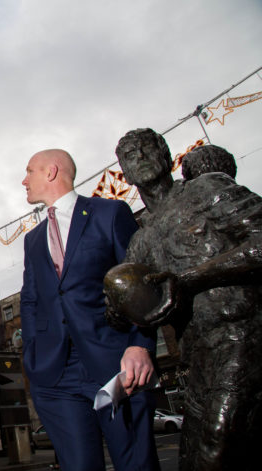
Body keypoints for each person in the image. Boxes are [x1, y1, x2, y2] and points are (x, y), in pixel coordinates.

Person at [109, 130, 262, 471]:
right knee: (192, 460)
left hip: (242, 340)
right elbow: (128, 313)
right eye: (131, 155)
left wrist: (191, 278)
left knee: (214, 451)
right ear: (125, 173)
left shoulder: (207, 190)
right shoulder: (140, 242)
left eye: (149, 147)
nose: (142, 156)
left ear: (167, 155)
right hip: (195, 362)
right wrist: (119, 302)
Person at [19, 148, 159, 471]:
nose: (23, 180)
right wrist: (32, 353)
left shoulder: (110, 214)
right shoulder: (33, 240)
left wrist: (140, 344)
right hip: (56, 375)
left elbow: (142, 281)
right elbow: (31, 300)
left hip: (115, 365)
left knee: (137, 464)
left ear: (51, 172)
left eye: (29, 171)